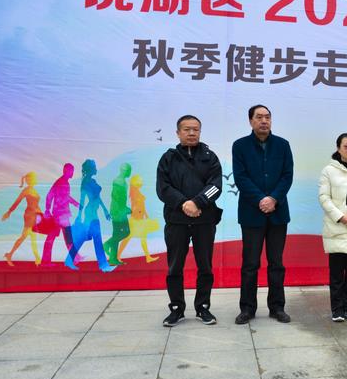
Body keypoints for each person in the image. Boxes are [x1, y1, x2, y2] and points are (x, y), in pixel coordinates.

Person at [157, 115, 222, 327]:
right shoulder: (168, 159)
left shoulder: (210, 157)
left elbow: (216, 186)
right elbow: (163, 188)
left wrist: (197, 202)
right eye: (187, 129)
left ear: (200, 132)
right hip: (176, 221)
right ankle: (177, 308)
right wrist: (183, 203)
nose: (192, 133)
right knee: (175, 267)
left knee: (205, 266)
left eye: (195, 129)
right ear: (178, 133)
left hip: (204, 221)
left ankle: (203, 307)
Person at [232, 105, 294, 325]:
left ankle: (277, 307)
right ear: (250, 121)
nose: (264, 121)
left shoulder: (283, 145)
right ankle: (247, 308)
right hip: (251, 213)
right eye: (259, 117)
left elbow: (287, 176)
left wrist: (274, 199)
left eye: (267, 117)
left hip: (278, 212)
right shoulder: (240, 146)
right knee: (250, 263)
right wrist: (261, 199)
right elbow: (240, 177)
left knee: (276, 263)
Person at [318, 133, 347, 322]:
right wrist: (340, 217)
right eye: (346, 146)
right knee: (336, 274)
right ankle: (337, 309)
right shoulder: (328, 170)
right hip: (336, 227)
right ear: (338, 148)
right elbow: (324, 197)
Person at [64, 160, 116, 273]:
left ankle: (69, 260)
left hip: (93, 213)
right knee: (97, 239)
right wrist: (79, 216)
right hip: (90, 214)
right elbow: (82, 200)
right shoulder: (85, 183)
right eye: (94, 167)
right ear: (90, 169)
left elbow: (98, 198)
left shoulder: (92, 181)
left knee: (82, 239)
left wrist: (105, 210)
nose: (96, 169)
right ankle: (104, 266)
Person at [1, 172, 43, 266]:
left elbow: (36, 205)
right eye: (34, 178)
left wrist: (41, 214)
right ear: (30, 180)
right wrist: (9, 212)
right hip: (29, 216)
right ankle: (10, 255)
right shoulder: (26, 190)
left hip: (34, 215)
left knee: (32, 238)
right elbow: (17, 201)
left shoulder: (33, 190)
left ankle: (37, 258)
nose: (35, 179)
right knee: (25, 236)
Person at [116, 174, 160, 263]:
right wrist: (138, 211)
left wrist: (146, 215)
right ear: (135, 183)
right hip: (135, 220)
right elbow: (135, 206)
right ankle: (117, 256)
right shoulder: (134, 192)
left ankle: (148, 257)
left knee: (143, 238)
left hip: (140, 220)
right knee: (127, 238)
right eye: (139, 181)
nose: (141, 183)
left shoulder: (137, 192)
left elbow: (142, 206)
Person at [42, 164, 79, 267]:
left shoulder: (62, 182)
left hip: (59, 214)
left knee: (53, 237)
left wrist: (75, 203)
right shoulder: (62, 182)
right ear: (66, 171)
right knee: (67, 238)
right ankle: (74, 258)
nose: (72, 173)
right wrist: (47, 209)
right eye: (71, 171)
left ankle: (46, 261)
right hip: (61, 215)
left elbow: (63, 196)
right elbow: (51, 195)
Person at [105, 163, 132, 265]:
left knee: (118, 234)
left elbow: (119, 198)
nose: (130, 172)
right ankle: (107, 245)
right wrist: (123, 209)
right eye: (129, 170)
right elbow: (116, 198)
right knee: (124, 232)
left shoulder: (121, 181)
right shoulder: (119, 182)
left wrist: (125, 208)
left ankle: (112, 258)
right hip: (118, 212)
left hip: (120, 211)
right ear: (125, 170)